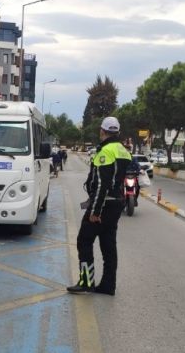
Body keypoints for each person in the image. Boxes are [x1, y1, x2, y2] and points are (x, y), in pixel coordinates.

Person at [67, 117, 131, 295]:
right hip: (117, 202)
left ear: (102, 131)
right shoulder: (123, 150)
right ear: (117, 132)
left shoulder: (106, 151)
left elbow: (102, 184)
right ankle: (108, 285)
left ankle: (86, 281)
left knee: (84, 241)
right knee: (108, 245)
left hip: (104, 204)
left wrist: (95, 211)